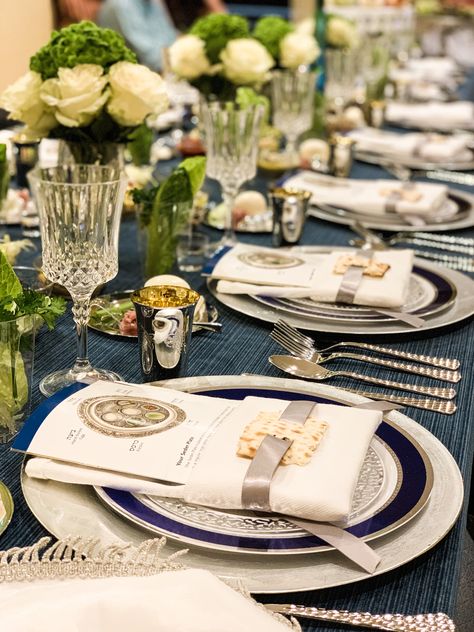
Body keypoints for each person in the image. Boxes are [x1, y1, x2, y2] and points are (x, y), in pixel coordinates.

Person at [96, 0, 177, 71]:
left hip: (160, 71)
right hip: (133, 78)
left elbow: (170, 37)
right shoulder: (122, 4)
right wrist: (181, 62)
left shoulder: (151, 2)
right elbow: (150, 58)